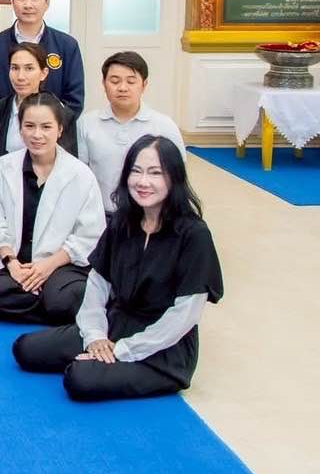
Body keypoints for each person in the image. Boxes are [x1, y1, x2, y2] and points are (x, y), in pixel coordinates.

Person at [13, 135, 224, 401]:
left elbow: (184, 316)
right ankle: (96, 356)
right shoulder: (123, 221)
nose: (143, 181)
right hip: (115, 324)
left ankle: (103, 364)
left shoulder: (194, 234)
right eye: (136, 171)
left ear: (174, 178)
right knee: (26, 349)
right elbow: (97, 286)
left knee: (79, 378)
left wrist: (123, 350)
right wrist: (95, 336)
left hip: (163, 347)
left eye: (155, 173)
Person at [0, 94, 105, 324]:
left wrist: (48, 266)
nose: (37, 135)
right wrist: (11, 263)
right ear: (20, 129)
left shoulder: (80, 175)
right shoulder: (1, 169)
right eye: (29, 126)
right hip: (18, 261)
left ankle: (51, 301)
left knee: (62, 298)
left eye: (46, 127)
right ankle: (56, 308)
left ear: (60, 130)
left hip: (62, 263)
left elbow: (89, 234)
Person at [78, 52, 185, 212]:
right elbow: (80, 174)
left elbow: (178, 176)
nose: (122, 88)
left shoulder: (164, 126)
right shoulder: (87, 123)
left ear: (144, 85)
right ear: (104, 84)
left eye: (131, 81)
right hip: (101, 214)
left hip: (150, 215)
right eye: (115, 81)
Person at [0, 41, 77, 192]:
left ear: (43, 73)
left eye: (29, 68)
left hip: (47, 194)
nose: (20, 76)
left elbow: (68, 165)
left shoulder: (61, 113)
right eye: (15, 68)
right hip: (2, 193)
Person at [0, 0, 84, 115]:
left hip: (53, 127)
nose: (28, 5)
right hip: (5, 126)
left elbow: (74, 101)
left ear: (47, 2)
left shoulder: (67, 46)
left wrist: (47, 124)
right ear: (12, 1)